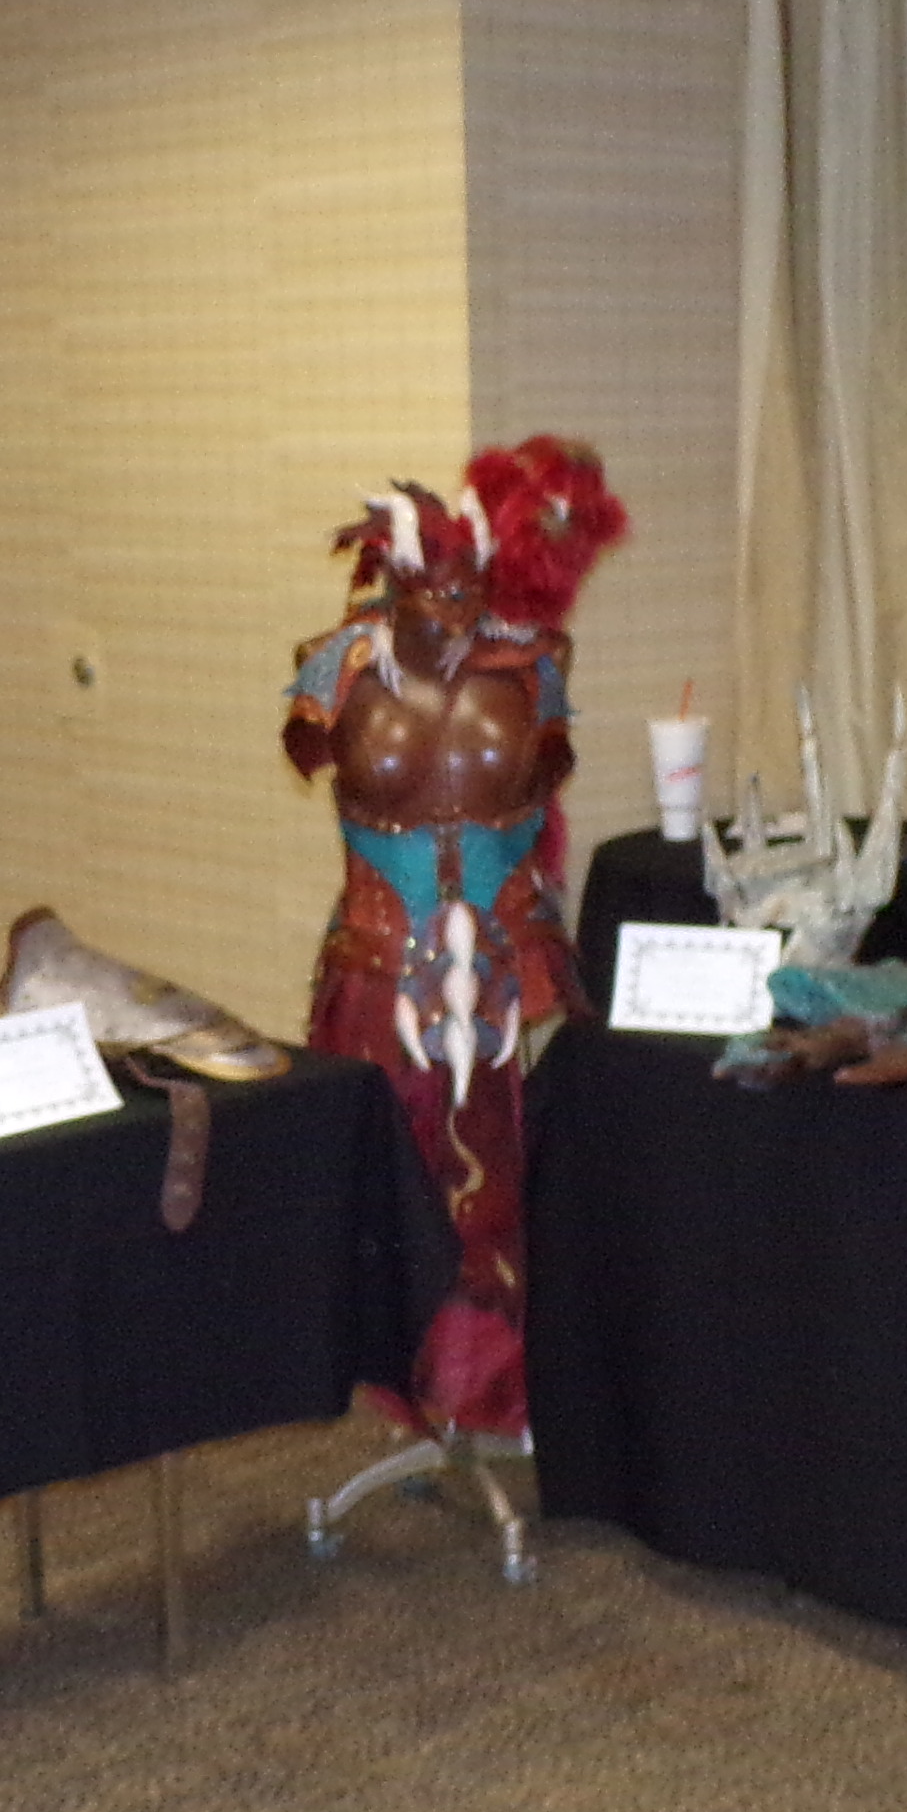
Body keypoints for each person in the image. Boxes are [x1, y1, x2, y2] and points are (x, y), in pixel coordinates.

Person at [283, 438, 624, 1441]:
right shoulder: (334, 664)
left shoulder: (536, 662)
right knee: (389, 1191)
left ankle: (498, 1387)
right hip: (375, 964)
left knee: (505, 1187)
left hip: (512, 964)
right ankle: (406, 1383)